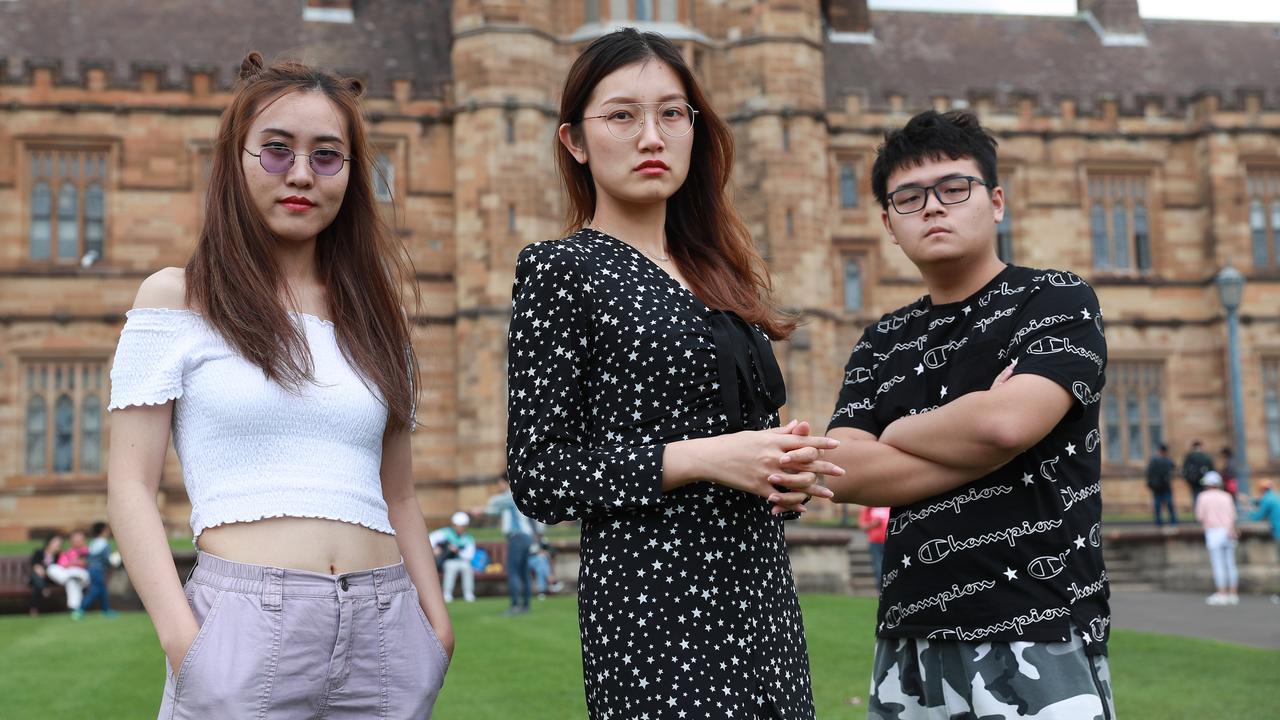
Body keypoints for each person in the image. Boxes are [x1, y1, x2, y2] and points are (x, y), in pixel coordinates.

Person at [505, 28, 841, 719]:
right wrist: (708, 458)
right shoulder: (563, 271)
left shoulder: (717, 273)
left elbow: (742, 443)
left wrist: (783, 469)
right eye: (622, 115)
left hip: (761, 601)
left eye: (671, 113)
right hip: (654, 613)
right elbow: (538, 475)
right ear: (574, 140)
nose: (651, 137)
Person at [106, 52, 450, 719]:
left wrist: (436, 629)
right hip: (242, 633)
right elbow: (129, 484)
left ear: (351, 175)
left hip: (388, 632)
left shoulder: (378, 320)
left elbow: (399, 492)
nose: (300, 174)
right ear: (235, 162)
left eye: (327, 156)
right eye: (275, 150)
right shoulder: (177, 298)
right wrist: (186, 644)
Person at [821, 110, 1115, 718]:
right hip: (911, 636)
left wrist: (899, 431)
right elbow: (842, 469)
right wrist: (981, 430)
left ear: (996, 201)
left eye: (954, 189)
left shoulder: (1055, 299)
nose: (932, 207)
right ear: (888, 223)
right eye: (909, 197)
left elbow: (1003, 425)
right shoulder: (883, 339)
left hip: (1040, 623)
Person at [484, 479, 539, 616]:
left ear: (505, 482)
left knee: (513, 572)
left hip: (517, 537)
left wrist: (481, 509)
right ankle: (526, 605)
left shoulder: (511, 495)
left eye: (500, 483)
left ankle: (515, 606)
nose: (499, 486)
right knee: (524, 573)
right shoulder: (521, 494)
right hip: (527, 537)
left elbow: (494, 503)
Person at [1194, 471, 1239, 606]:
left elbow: (1199, 516)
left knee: (1218, 564)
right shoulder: (1227, 496)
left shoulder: (1203, 497)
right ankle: (1233, 594)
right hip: (1228, 531)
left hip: (1214, 531)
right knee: (1230, 564)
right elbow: (1233, 515)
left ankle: (1222, 593)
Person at [430, 512, 477, 603]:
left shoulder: (468, 538)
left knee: (467, 567)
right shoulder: (446, 533)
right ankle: (447, 594)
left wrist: (457, 551)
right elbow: (431, 539)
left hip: (462, 561)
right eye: (458, 525)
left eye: (462, 526)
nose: (460, 528)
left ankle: (468, 594)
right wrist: (434, 548)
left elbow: (469, 555)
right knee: (451, 566)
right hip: (448, 561)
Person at [77, 520, 119, 619]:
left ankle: (106, 610)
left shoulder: (93, 543)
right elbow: (107, 559)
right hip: (98, 570)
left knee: (103, 590)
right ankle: (80, 609)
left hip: (92, 569)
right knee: (95, 590)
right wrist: (116, 557)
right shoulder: (104, 544)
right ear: (103, 531)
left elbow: (89, 557)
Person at [48, 529, 91, 615]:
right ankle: (74, 608)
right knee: (52, 568)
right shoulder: (67, 553)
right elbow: (62, 566)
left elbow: (87, 564)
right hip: (68, 575)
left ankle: (70, 577)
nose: (77, 542)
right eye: (75, 540)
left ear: (84, 540)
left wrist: (74, 563)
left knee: (74, 576)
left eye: (79, 540)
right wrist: (73, 563)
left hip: (83, 576)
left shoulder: (89, 552)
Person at [28, 533, 63, 618]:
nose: (58, 545)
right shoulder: (39, 552)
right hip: (39, 577)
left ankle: (34, 609)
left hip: (51, 579)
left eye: (60, 543)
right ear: (49, 542)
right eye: (56, 542)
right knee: (37, 578)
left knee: (37, 583)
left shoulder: (59, 556)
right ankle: (43, 588)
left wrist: (45, 572)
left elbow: (58, 569)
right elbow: (35, 564)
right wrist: (39, 569)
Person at [858, 505, 891, 593]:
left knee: (890, 567)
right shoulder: (868, 508)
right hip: (875, 542)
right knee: (878, 567)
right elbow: (862, 526)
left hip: (889, 541)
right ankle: (881, 591)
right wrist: (873, 524)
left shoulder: (889, 505)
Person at [1146, 444, 1177, 526]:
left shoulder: (1164, 460)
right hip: (1159, 486)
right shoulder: (1158, 460)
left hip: (1162, 486)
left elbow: (1149, 473)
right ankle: (1165, 521)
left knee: (1165, 504)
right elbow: (1149, 473)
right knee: (1160, 505)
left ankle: (1167, 521)